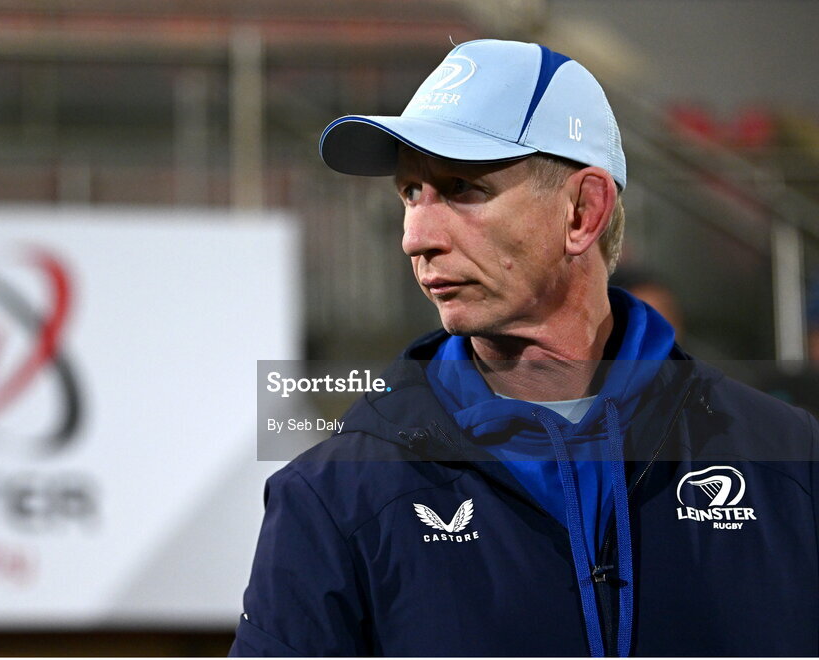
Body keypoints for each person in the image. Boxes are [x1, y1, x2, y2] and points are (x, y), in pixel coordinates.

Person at [231, 40, 818, 657]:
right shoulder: (330, 498)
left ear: (582, 213)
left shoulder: (789, 462)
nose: (416, 237)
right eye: (409, 193)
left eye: (461, 188)